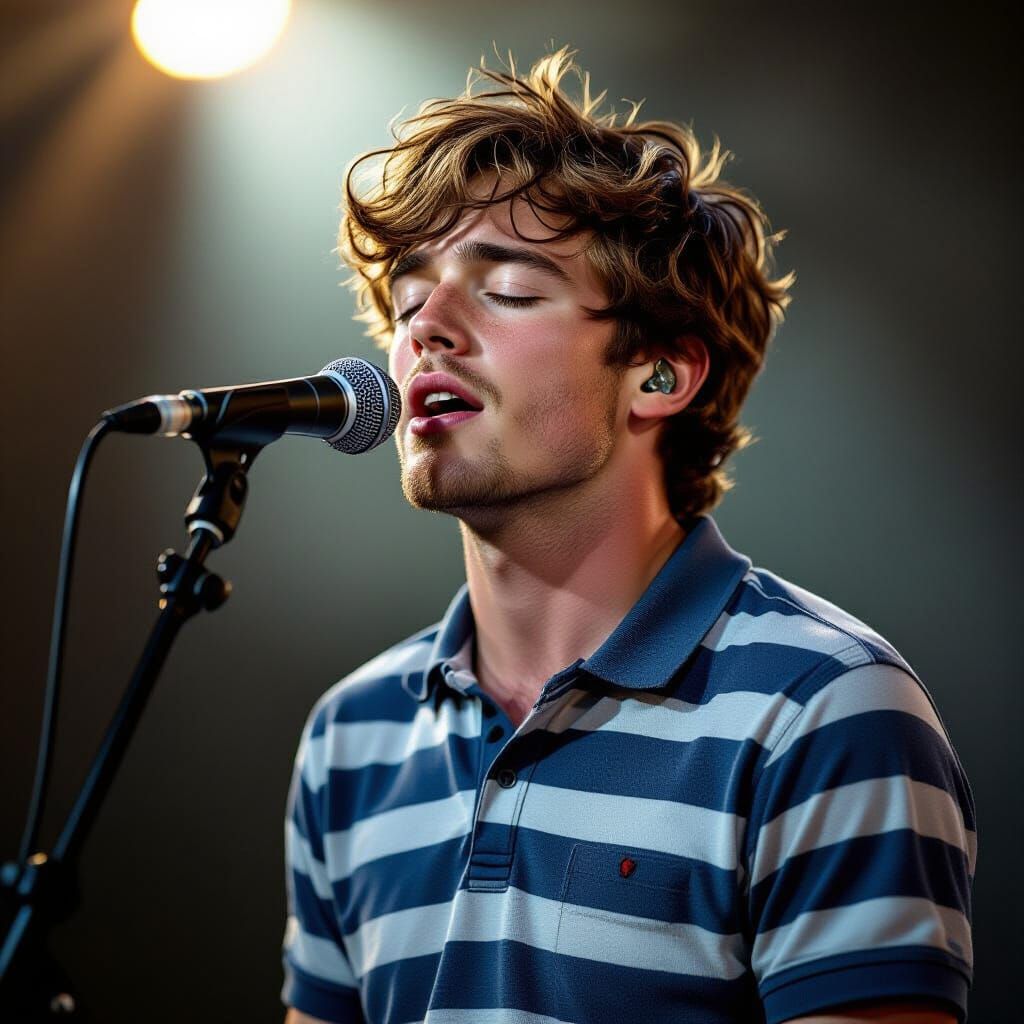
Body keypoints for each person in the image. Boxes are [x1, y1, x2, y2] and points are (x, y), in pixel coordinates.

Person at [281, 50, 975, 1024]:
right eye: (406, 298)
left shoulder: (824, 709)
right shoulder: (350, 738)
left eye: (506, 289)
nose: (425, 327)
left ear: (659, 374)